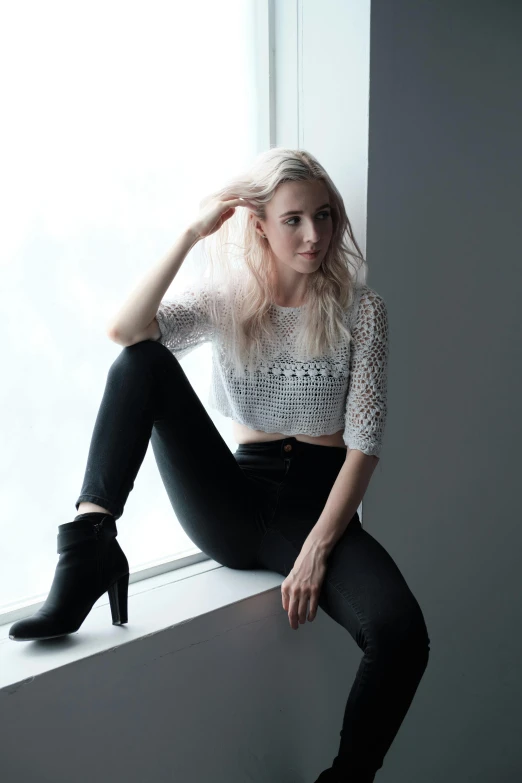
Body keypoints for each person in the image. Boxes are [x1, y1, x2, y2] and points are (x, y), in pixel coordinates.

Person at [9, 148, 430, 783]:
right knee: (141, 361)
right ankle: (89, 549)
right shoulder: (232, 301)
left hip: (314, 511)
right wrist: (187, 234)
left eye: (325, 215)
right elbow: (126, 330)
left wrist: (318, 548)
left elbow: (365, 441)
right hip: (230, 498)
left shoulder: (360, 311)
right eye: (293, 219)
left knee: (402, 635)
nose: (313, 235)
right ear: (259, 224)